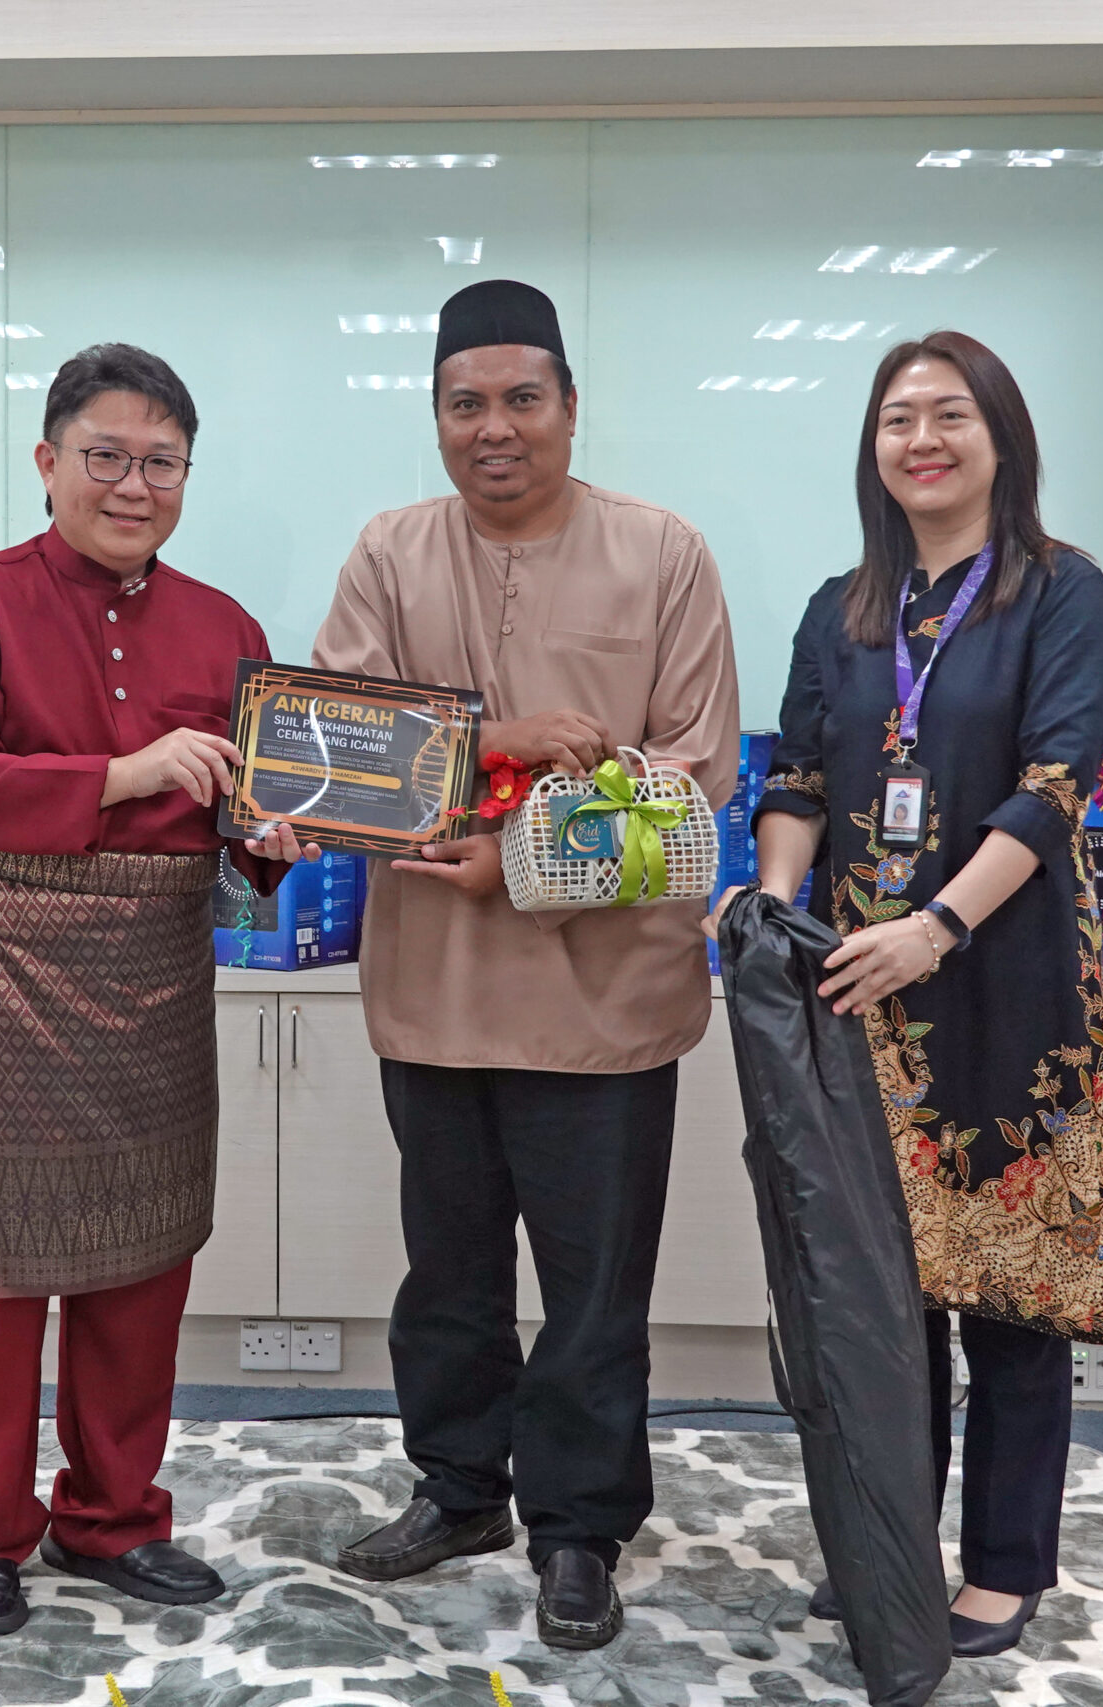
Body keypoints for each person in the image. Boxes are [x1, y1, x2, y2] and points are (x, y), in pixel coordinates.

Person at [312, 279, 741, 1650]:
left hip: (604, 999)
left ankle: (579, 1531)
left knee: (594, 1288)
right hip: (431, 988)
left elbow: (693, 777)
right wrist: (498, 740)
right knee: (446, 1277)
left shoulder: (662, 553)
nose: (493, 428)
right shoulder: (391, 552)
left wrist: (523, 857)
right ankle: (457, 1490)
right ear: (437, 416)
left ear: (568, 406)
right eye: (465, 404)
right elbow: (336, 750)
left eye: (520, 399)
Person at [0, 342, 315, 1638]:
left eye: (162, 463)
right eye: (107, 456)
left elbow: (240, 814)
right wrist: (128, 773)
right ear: (48, 461)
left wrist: (267, 839)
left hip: (152, 976)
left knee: (141, 1268)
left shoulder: (226, 627)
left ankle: (116, 1520)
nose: (134, 485)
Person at [717, 329, 1103, 1658]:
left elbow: (1056, 789)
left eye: (950, 414)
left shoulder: (1063, 592)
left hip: (1007, 987)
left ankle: (1005, 1565)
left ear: (1001, 437)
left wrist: (939, 926)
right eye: (898, 419)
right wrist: (781, 908)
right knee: (884, 1303)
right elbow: (796, 779)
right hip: (861, 998)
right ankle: (893, 1540)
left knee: (1008, 1294)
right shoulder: (842, 609)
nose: (922, 440)